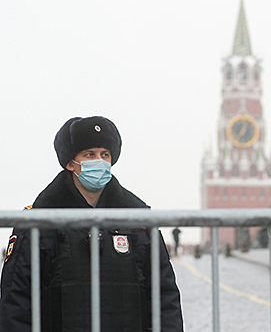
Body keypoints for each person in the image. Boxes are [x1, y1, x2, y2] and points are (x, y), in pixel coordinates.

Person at [0, 116, 184, 332]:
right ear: (70, 162)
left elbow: (164, 296)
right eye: (89, 154)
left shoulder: (139, 220)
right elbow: (16, 300)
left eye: (105, 154)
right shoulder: (38, 221)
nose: (99, 161)